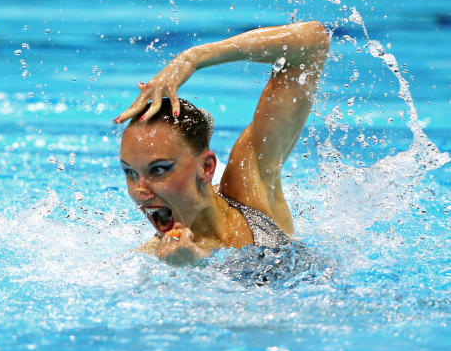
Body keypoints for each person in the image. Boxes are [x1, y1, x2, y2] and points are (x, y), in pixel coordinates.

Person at [113, 21, 330, 267]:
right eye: (130, 172)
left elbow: (311, 43)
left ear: (206, 168)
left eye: (159, 169)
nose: (139, 191)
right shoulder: (147, 264)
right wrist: (190, 271)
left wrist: (193, 58)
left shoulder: (250, 187)